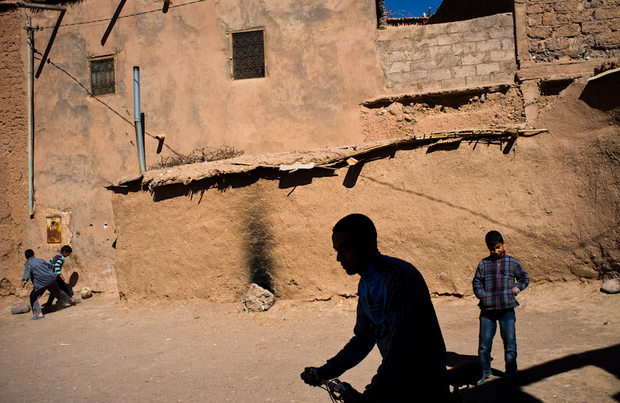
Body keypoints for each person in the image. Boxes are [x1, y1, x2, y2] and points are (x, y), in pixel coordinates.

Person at [301, 214, 449, 402]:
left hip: (424, 386)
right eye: (336, 250)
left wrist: (370, 396)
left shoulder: (398, 277)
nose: (339, 258)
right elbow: (364, 338)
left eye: (345, 249)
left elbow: (400, 348)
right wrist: (324, 372)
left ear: (368, 245)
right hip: (398, 382)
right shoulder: (365, 283)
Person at [472, 230, 529, 385]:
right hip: (487, 311)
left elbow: (524, 277)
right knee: (484, 344)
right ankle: (484, 371)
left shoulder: (512, 263)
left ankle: (511, 371)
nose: (495, 251)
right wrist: (481, 295)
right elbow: (476, 281)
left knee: (510, 343)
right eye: (491, 249)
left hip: (507, 309)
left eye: (498, 247)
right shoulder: (483, 264)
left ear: (503, 244)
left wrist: (516, 289)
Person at [21, 249, 77, 320]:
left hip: (42, 283)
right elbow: (50, 266)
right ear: (34, 254)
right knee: (58, 292)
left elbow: (27, 272)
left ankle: (39, 314)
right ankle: (71, 301)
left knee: (33, 296)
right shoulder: (41, 260)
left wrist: (24, 281)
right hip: (52, 279)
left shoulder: (28, 263)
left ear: (26, 257)